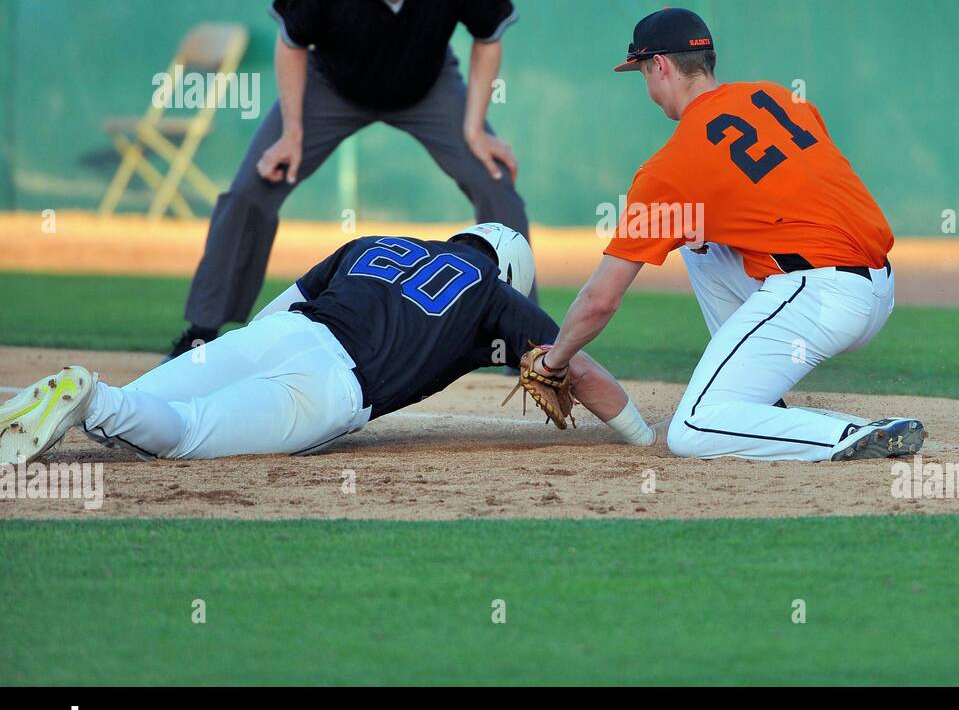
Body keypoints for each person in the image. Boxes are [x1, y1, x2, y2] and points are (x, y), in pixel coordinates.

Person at [529, 8, 926, 462]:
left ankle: (850, 433)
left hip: (819, 300)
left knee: (692, 431)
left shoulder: (670, 170)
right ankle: (755, 400)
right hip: (876, 285)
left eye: (643, 72)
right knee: (699, 243)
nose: (648, 88)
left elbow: (601, 298)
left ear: (660, 66)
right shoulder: (777, 97)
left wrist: (554, 360)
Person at [165, 0, 532, 359]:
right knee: (251, 189)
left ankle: (523, 340)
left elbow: (488, 36)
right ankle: (202, 329)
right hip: (330, 87)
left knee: (495, 180)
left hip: (427, 88)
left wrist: (475, 128)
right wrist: (292, 133)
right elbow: (291, 41)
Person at [1, 225, 655, 463]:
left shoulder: (375, 242)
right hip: (332, 384)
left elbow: (277, 307)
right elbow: (582, 368)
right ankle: (90, 395)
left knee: (135, 406)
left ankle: (43, 401)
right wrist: (641, 436)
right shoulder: (493, 294)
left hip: (283, 331)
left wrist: (242, 355)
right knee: (180, 436)